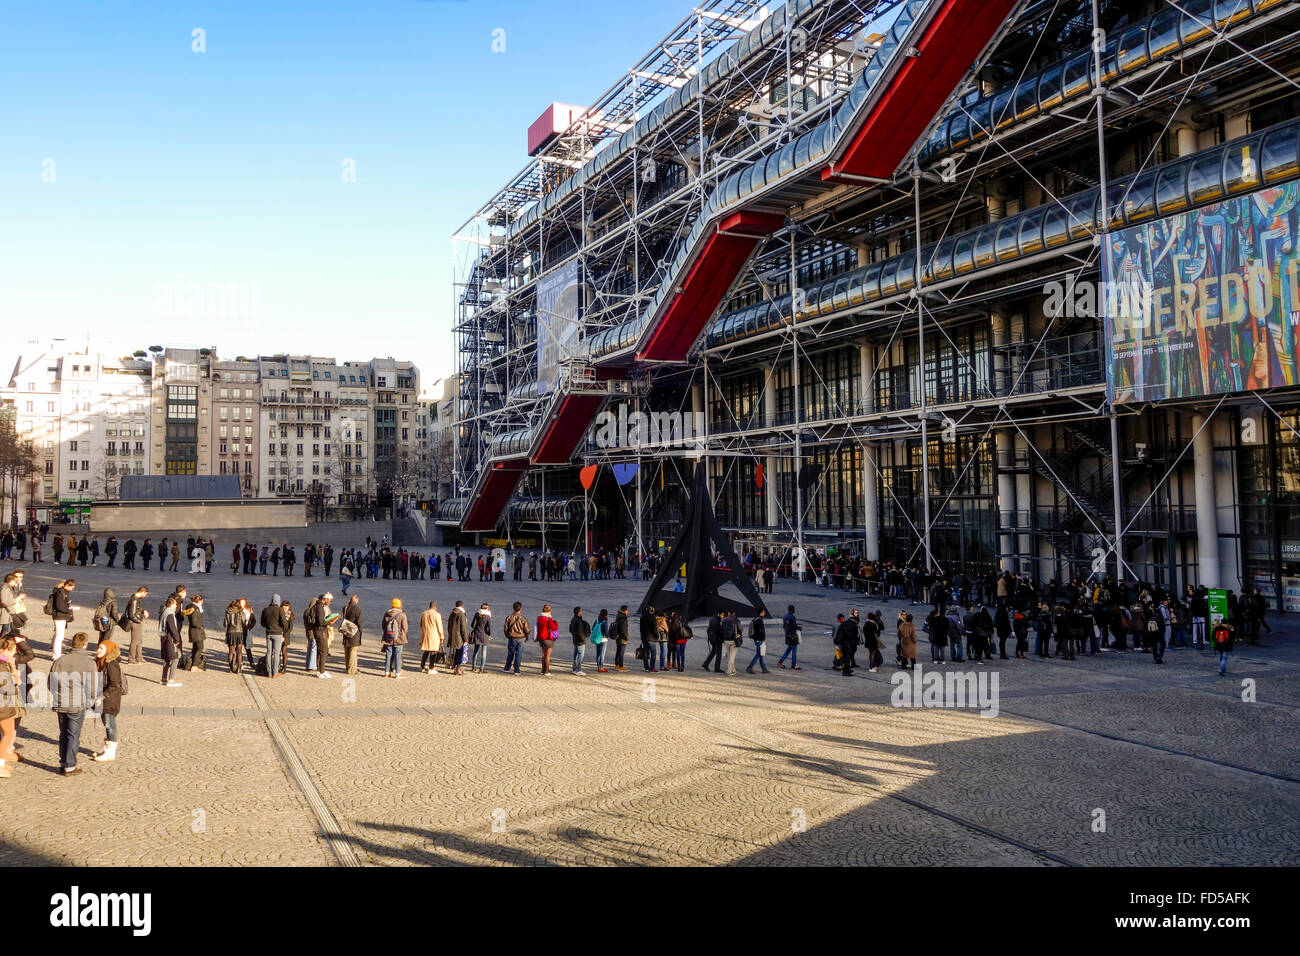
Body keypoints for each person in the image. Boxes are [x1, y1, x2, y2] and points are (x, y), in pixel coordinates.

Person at [49, 631, 97, 775]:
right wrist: (91, 700)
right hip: (77, 704)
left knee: (63, 733)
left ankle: (63, 762)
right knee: (73, 734)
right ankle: (69, 766)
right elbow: (92, 686)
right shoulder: (89, 663)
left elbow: (50, 682)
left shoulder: (60, 661)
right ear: (85, 644)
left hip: (61, 702)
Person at [92, 639, 124, 763]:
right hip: (103, 699)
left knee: (110, 725)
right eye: (98, 648)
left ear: (108, 651)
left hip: (110, 700)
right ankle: (107, 750)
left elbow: (115, 684)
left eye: (101, 649)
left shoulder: (112, 664)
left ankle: (111, 752)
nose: (98, 650)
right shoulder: (100, 662)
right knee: (107, 724)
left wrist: (102, 696)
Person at [47, 579, 77, 661]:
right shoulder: (61, 593)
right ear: (67, 585)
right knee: (59, 636)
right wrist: (69, 609)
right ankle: (56, 655)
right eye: (71, 587)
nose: (72, 589)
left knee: (57, 634)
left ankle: (53, 648)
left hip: (60, 616)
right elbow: (59, 606)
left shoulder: (62, 592)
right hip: (60, 616)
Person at [381, 599, 408, 679]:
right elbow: (405, 628)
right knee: (398, 655)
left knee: (388, 655)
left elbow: (383, 626)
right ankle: (398, 673)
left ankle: (387, 673)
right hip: (399, 639)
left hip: (388, 638)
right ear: (399, 605)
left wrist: (388, 634)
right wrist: (401, 635)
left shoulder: (387, 614)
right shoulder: (402, 615)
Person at [159, 597, 183, 687]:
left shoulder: (164, 612)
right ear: (172, 604)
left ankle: (164, 678)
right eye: (175, 604)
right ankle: (171, 680)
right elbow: (173, 628)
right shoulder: (170, 614)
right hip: (170, 638)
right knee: (175, 658)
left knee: (167, 659)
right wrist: (177, 640)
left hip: (164, 638)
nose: (176, 606)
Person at [181, 594, 207, 672]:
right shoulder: (195, 609)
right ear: (199, 601)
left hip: (194, 631)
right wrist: (201, 626)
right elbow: (195, 621)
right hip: (197, 631)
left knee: (195, 648)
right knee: (200, 648)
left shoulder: (191, 607)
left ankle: (191, 664)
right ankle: (194, 666)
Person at [123, 586, 149, 665]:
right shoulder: (134, 600)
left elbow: (136, 609)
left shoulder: (135, 598)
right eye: (145, 594)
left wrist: (142, 611)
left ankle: (139, 657)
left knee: (139, 641)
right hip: (135, 623)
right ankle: (131, 659)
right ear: (142, 592)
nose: (145, 596)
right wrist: (139, 621)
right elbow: (131, 614)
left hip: (136, 621)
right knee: (135, 641)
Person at [262, 594, 285, 678]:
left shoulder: (266, 610)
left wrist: (268, 626)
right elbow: (284, 623)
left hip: (268, 633)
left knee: (269, 653)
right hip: (278, 634)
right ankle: (275, 673)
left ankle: (269, 672)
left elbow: (262, 623)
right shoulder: (279, 610)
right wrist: (281, 628)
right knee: (276, 653)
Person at [503, 601, 530, 675]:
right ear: (520, 608)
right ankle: (516, 670)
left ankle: (507, 668)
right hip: (521, 638)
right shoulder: (523, 618)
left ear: (513, 608)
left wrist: (508, 635)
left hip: (512, 637)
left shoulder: (509, 617)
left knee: (510, 653)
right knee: (519, 654)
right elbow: (527, 629)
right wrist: (526, 636)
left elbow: (505, 628)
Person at [419, 601, 444, 674]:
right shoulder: (437, 615)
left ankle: (422, 666)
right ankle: (431, 668)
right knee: (433, 652)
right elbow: (439, 626)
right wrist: (441, 636)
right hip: (434, 635)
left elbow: (421, 624)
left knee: (426, 651)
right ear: (435, 607)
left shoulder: (424, 613)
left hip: (425, 634)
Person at [342, 594, 363, 676]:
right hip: (354, 632)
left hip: (346, 630)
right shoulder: (358, 609)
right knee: (353, 651)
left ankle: (347, 667)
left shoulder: (345, 608)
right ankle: (352, 669)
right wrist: (360, 630)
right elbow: (359, 622)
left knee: (347, 650)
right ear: (357, 600)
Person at [447, 601, 469, 675]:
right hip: (459, 637)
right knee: (460, 653)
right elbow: (463, 628)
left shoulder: (452, 613)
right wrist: (466, 639)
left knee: (457, 653)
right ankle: (458, 669)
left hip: (453, 636)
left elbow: (449, 625)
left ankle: (455, 667)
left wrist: (450, 634)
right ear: (462, 606)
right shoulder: (461, 614)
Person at [835, 611, 860, 676]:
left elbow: (840, 633)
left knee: (846, 657)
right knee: (847, 658)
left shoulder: (844, 623)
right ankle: (845, 671)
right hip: (850, 643)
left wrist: (838, 641)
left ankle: (847, 669)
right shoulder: (854, 625)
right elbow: (855, 635)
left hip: (844, 643)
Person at [745, 608, 769, 674]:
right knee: (758, 654)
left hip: (757, 639)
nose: (764, 614)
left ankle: (764, 669)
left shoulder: (755, 619)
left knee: (761, 654)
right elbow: (760, 630)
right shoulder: (759, 620)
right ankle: (750, 667)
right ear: (761, 613)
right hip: (759, 640)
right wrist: (762, 637)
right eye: (764, 612)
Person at [535, 603, 557, 676]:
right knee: (548, 655)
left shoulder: (539, 618)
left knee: (543, 654)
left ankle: (543, 669)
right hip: (548, 638)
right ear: (549, 611)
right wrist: (555, 622)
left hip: (541, 638)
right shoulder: (549, 619)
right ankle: (547, 671)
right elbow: (554, 627)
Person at [778, 605, 801, 670]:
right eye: (794, 609)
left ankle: (781, 661)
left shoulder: (785, 616)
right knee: (794, 650)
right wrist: (799, 628)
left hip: (787, 635)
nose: (794, 611)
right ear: (792, 610)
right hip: (792, 635)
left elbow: (784, 626)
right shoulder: (792, 617)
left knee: (789, 649)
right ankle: (793, 665)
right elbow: (794, 626)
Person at [569, 607, 590, 675]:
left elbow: (570, 629)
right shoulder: (578, 621)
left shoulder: (573, 619)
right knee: (580, 655)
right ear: (579, 612)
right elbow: (580, 632)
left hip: (575, 639)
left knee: (575, 655)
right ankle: (578, 669)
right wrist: (584, 638)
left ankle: (575, 669)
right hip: (580, 641)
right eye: (581, 611)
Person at [611, 605, 630, 671]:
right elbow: (623, 630)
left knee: (618, 651)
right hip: (622, 638)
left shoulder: (618, 617)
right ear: (625, 611)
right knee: (621, 652)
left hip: (618, 637)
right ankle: (621, 666)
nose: (628, 612)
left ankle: (617, 665)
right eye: (627, 610)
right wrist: (627, 637)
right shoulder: (624, 619)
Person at [591, 608, 609, 673]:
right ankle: (601, 667)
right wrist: (608, 636)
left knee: (598, 653)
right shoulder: (604, 622)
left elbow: (593, 628)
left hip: (597, 638)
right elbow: (606, 632)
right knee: (602, 654)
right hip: (603, 640)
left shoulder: (597, 620)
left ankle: (598, 666)